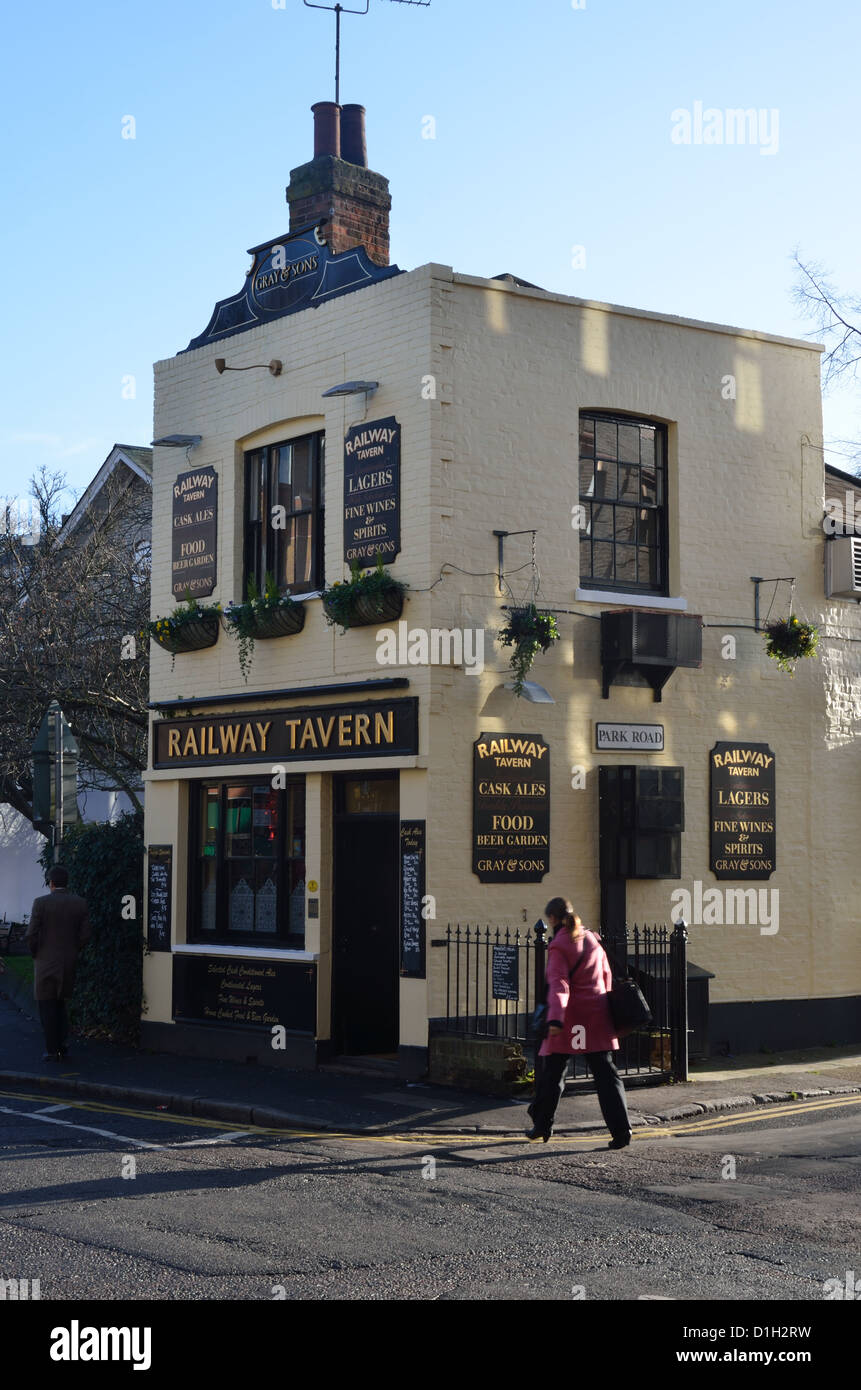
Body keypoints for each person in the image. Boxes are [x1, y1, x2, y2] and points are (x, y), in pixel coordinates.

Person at [527, 896, 631, 1148]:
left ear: (552, 919)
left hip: (570, 1019)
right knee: (606, 1075)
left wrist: (554, 1018)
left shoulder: (559, 945)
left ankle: (542, 1125)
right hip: (597, 1016)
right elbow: (606, 976)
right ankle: (621, 1131)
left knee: (552, 1073)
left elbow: (559, 985)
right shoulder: (593, 939)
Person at [26, 865, 91, 1062]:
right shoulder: (80, 903)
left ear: (51, 883)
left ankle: (52, 1049)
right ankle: (63, 1045)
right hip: (68, 961)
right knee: (61, 1004)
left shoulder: (41, 903)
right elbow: (86, 934)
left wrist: (35, 952)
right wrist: (74, 950)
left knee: (47, 1006)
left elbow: (31, 934)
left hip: (45, 961)